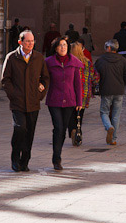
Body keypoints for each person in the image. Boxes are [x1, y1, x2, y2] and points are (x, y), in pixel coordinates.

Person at [1, 30, 49, 172]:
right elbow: (5, 79)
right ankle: (15, 158)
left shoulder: (39, 58)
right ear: (20, 42)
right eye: (28, 41)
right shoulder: (12, 58)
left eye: (32, 41)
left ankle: (25, 161)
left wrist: (40, 94)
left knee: (30, 133)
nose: (30, 44)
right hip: (18, 102)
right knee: (20, 128)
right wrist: (13, 94)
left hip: (33, 102)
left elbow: (45, 78)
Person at [45, 36, 83, 170]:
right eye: (60, 45)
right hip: (54, 100)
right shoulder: (49, 62)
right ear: (55, 48)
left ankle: (58, 155)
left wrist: (79, 101)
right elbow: (44, 79)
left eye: (65, 45)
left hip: (70, 100)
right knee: (58, 128)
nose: (63, 48)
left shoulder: (74, 62)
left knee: (63, 129)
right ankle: (57, 158)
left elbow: (78, 84)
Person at [95, 39, 126, 145]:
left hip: (106, 90)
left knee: (104, 112)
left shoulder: (101, 60)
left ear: (109, 48)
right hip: (119, 90)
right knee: (116, 114)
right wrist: (122, 83)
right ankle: (113, 138)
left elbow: (95, 74)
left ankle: (109, 127)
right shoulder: (123, 60)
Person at [68, 42, 99, 146]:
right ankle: (78, 131)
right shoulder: (88, 62)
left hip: (71, 91)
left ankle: (72, 130)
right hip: (84, 92)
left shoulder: (69, 62)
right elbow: (94, 76)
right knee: (80, 114)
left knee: (70, 113)